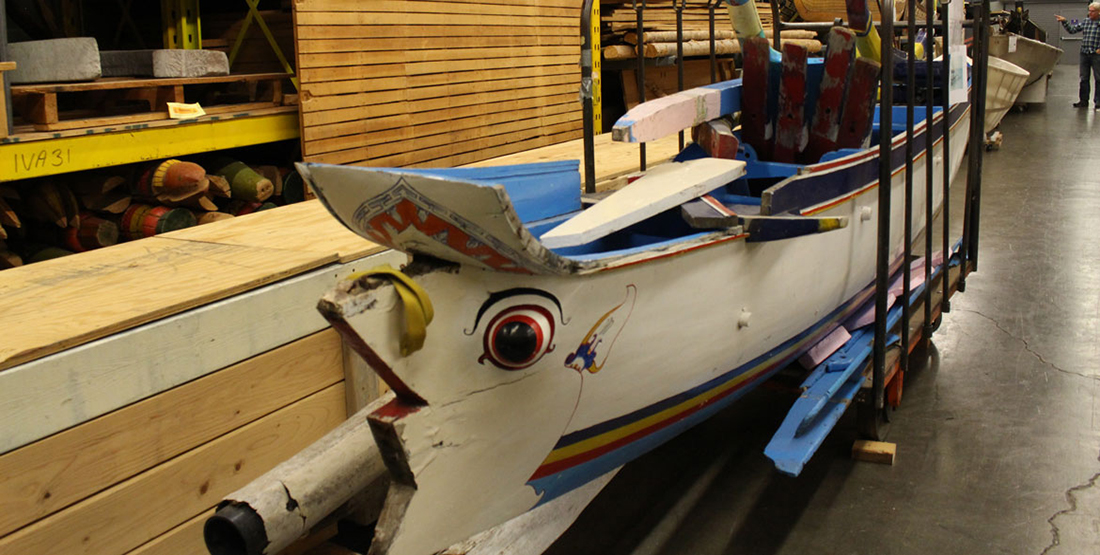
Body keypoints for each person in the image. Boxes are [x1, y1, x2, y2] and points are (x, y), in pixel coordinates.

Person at [1057, 4, 1100, 109]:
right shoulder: (1086, 21)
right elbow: (1072, 30)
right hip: (1084, 53)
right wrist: (1064, 21)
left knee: (1098, 78)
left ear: (1099, 12)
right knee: (1084, 78)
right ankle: (1083, 101)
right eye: (1089, 10)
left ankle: (1098, 101)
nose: (1090, 13)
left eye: (1092, 11)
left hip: (1096, 54)